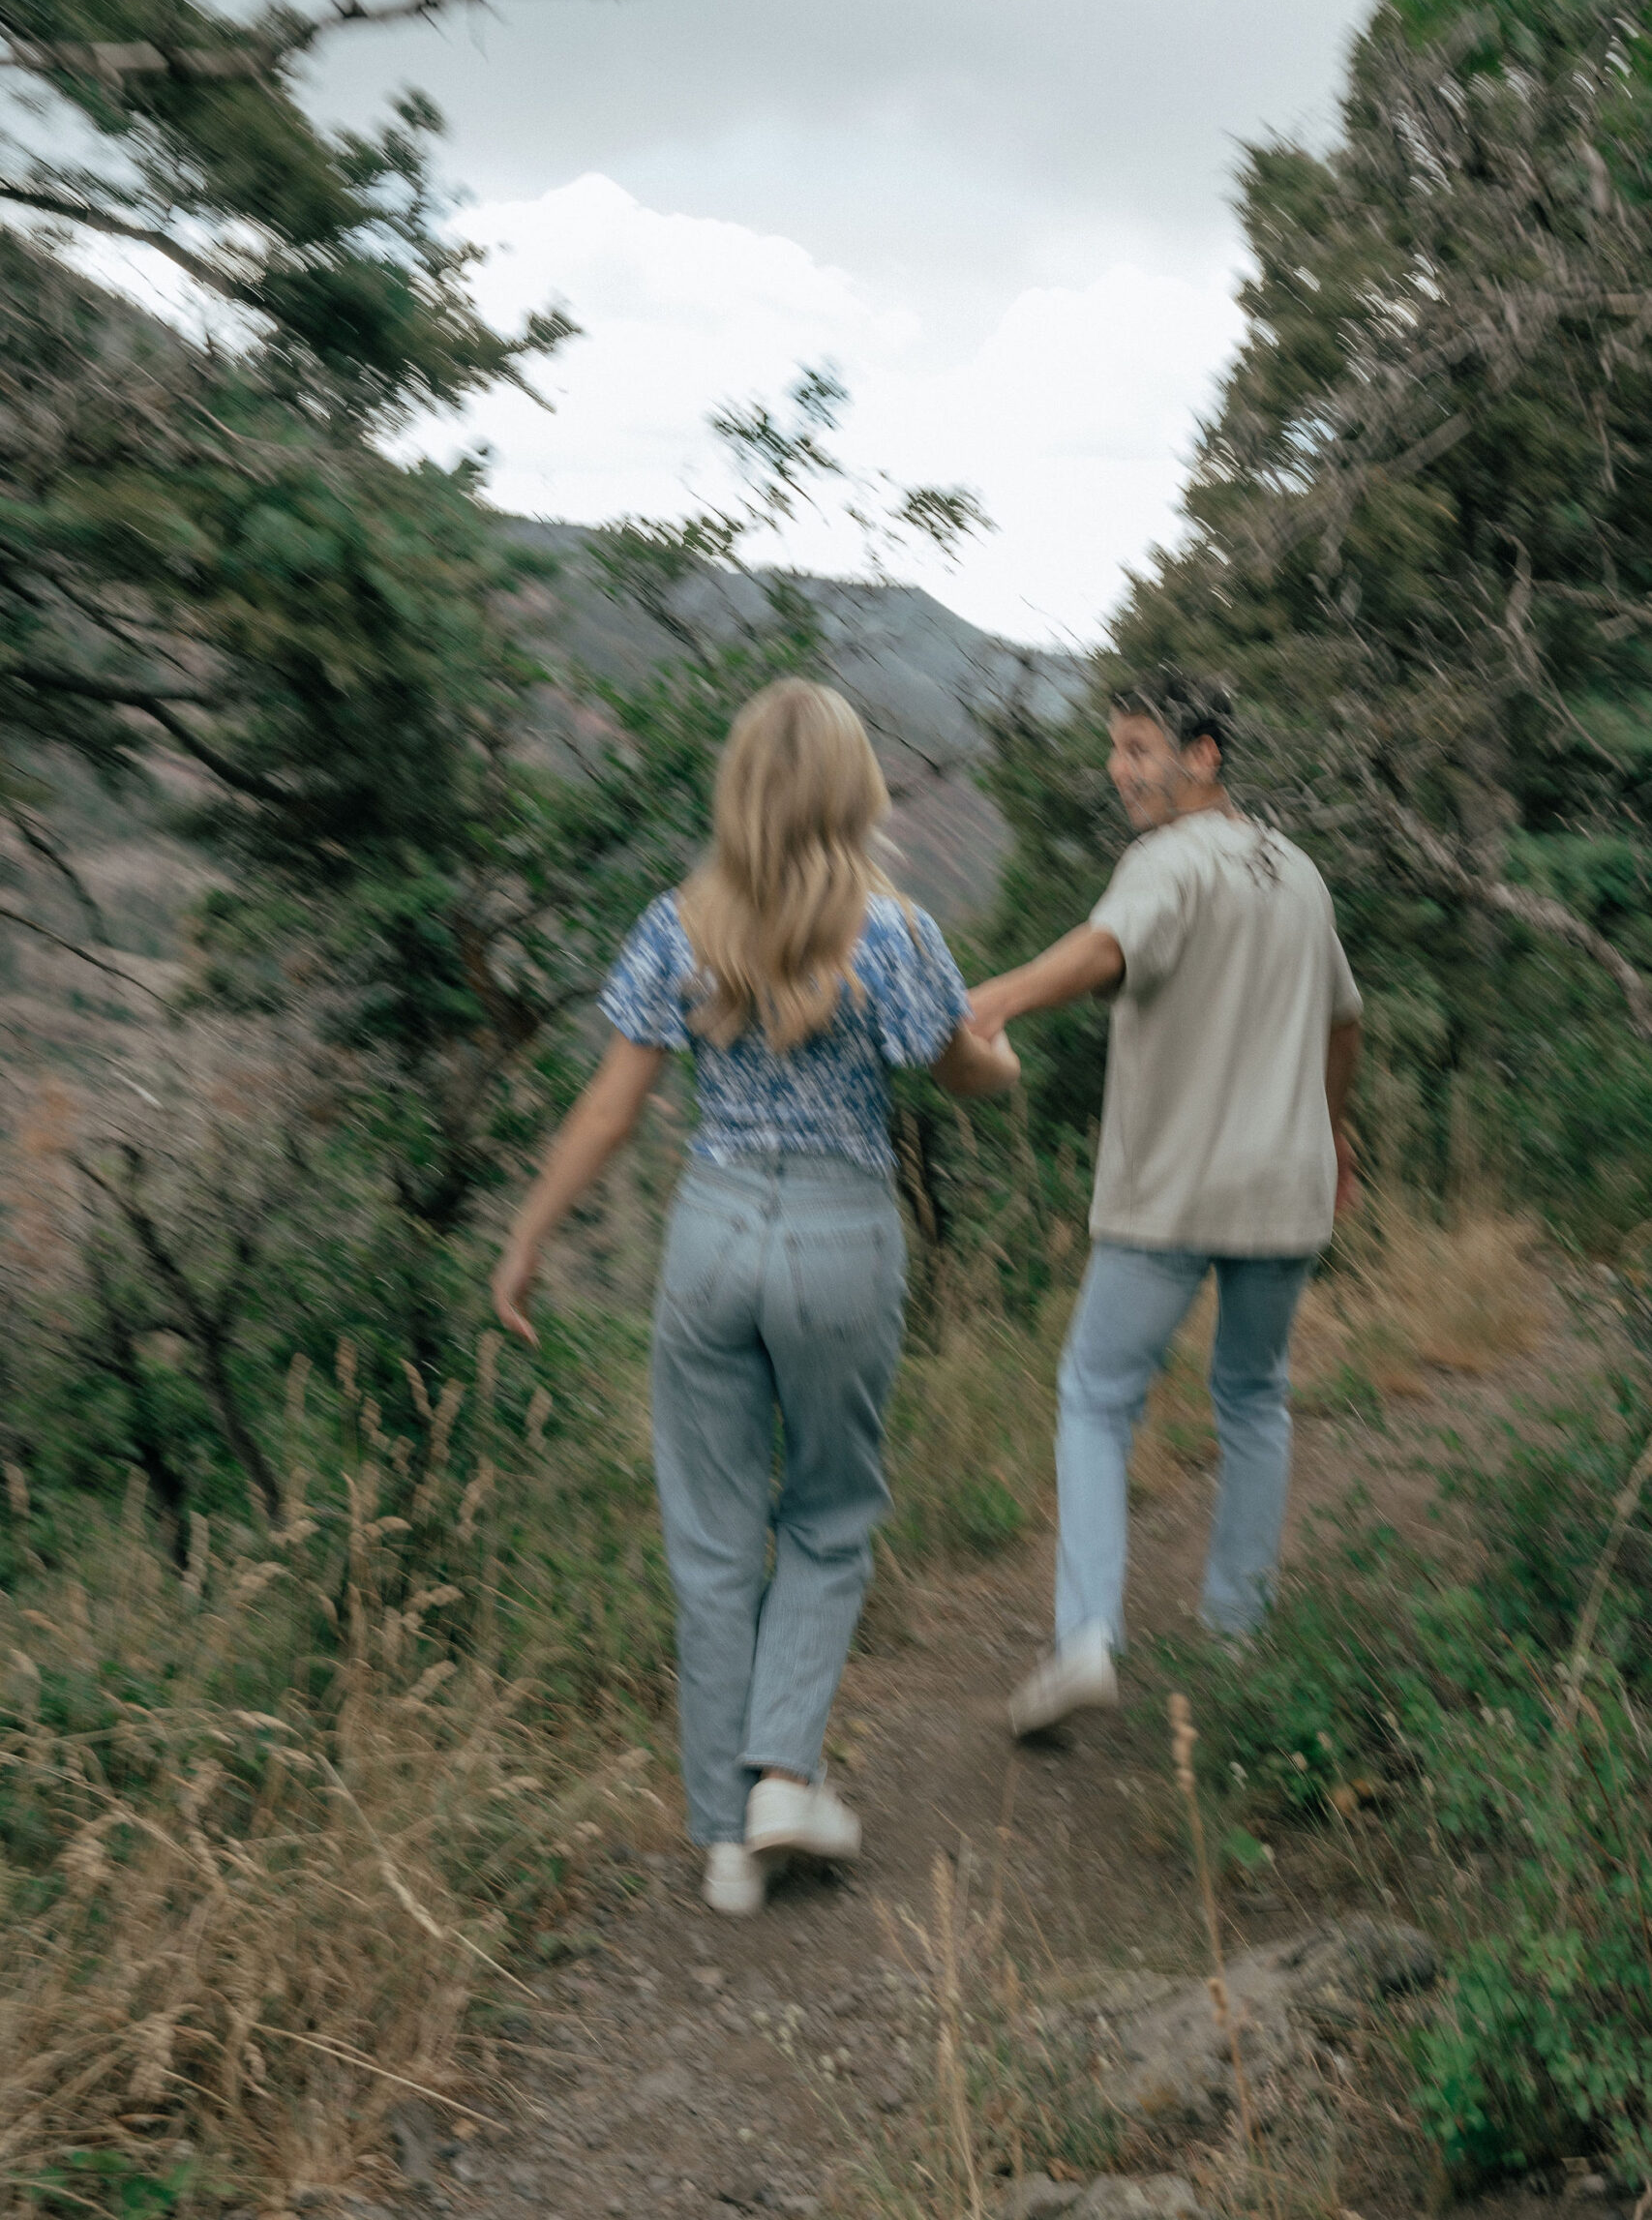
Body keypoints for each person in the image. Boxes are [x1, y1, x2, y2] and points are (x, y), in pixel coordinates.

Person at [493, 678, 1019, 1915]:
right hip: (840, 1233)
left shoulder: (677, 927)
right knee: (831, 1513)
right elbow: (963, 1071)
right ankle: (785, 1769)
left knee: (713, 1539)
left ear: (738, 791)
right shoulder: (897, 935)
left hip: (714, 1230)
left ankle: (728, 1844)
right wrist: (1003, 1052)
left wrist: (527, 1234)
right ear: (855, 793)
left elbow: (614, 1107)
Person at [969, 669, 1363, 1736]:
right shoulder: (1299, 871)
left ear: (1204, 756)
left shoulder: (1164, 863)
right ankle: (1236, 1635)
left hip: (1171, 1192)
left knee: (1097, 1394)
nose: (1118, 768)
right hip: (1286, 1190)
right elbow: (1343, 1022)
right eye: (1115, 747)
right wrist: (1333, 1129)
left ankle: (1087, 1636)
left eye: (1138, 746)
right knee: (1255, 1397)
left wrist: (998, 994)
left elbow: (1105, 949)